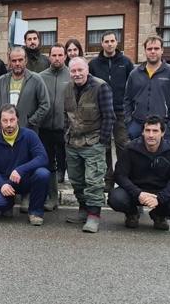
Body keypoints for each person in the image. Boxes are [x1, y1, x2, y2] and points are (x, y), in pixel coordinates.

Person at [108, 115, 170, 230]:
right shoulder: (130, 149)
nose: (151, 135)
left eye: (155, 131)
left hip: (160, 192)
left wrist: (159, 198)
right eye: (147, 130)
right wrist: (138, 193)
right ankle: (132, 214)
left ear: (162, 133)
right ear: (143, 132)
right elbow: (120, 176)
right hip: (135, 191)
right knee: (115, 198)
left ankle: (159, 214)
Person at [64, 57, 115, 233]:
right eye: (73, 71)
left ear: (87, 70)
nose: (77, 74)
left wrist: (102, 142)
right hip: (72, 142)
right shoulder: (67, 88)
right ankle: (83, 209)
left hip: (93, 141)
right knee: (76, 180)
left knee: (93, 181)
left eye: (80, 70)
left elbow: (109, 116)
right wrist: (66, 134)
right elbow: (66, 114)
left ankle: (94, 215)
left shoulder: (101, 87)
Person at [0, 104, 50, 225]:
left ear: (17, 119)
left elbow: (42, 158)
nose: (9, 124)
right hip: (7, 182)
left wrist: (21, 169)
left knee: (43, 174)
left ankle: (35, 212)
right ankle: (8, 204)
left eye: (12, 120)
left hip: (26, 179)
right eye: (5, 120)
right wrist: (1, 185)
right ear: (0, 122)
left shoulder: (29, 135)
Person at [89, 31, 134, 192]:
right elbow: (90, 87)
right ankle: (108, 180)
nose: (109, 43)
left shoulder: (126, 62)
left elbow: (132, 87)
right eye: (106, 41)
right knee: (105, 147)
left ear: (117, 43)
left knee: (123, 146)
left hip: (121, 112)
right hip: (102, 113)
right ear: (101, 43)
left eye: (112, 41)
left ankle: (123, 179)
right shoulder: (94, 64)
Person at [124, 36, 170, 142]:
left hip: (161, 127)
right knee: (137, 158)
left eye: (156, 48)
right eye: (149, 49)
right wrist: (129, 123)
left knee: (161, 158)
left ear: (162, 50)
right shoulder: (134, 73)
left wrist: (169, 126)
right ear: (145, 51)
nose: (153, 51)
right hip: (137, 126)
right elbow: (127, 99)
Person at [39, 43, 70, 210]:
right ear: (49, 57)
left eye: (60, 55)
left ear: (65, 56)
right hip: (45, 129)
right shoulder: (41, 76)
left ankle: (84, 203)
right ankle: (52, 198)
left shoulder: (72, 74)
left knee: (72, 163)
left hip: (66, 128)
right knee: (48, 164)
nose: (57, 58)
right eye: (54, 55)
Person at [0, 47, 49, 132]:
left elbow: (45, 105)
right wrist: (0, 121)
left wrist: (31, 122)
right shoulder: (1, 80)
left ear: (26, 60)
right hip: (5, 132)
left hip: (28, 132)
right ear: (9, 62)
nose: (17, 63)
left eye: (20, 60)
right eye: (14, 61)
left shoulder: (36, 79)